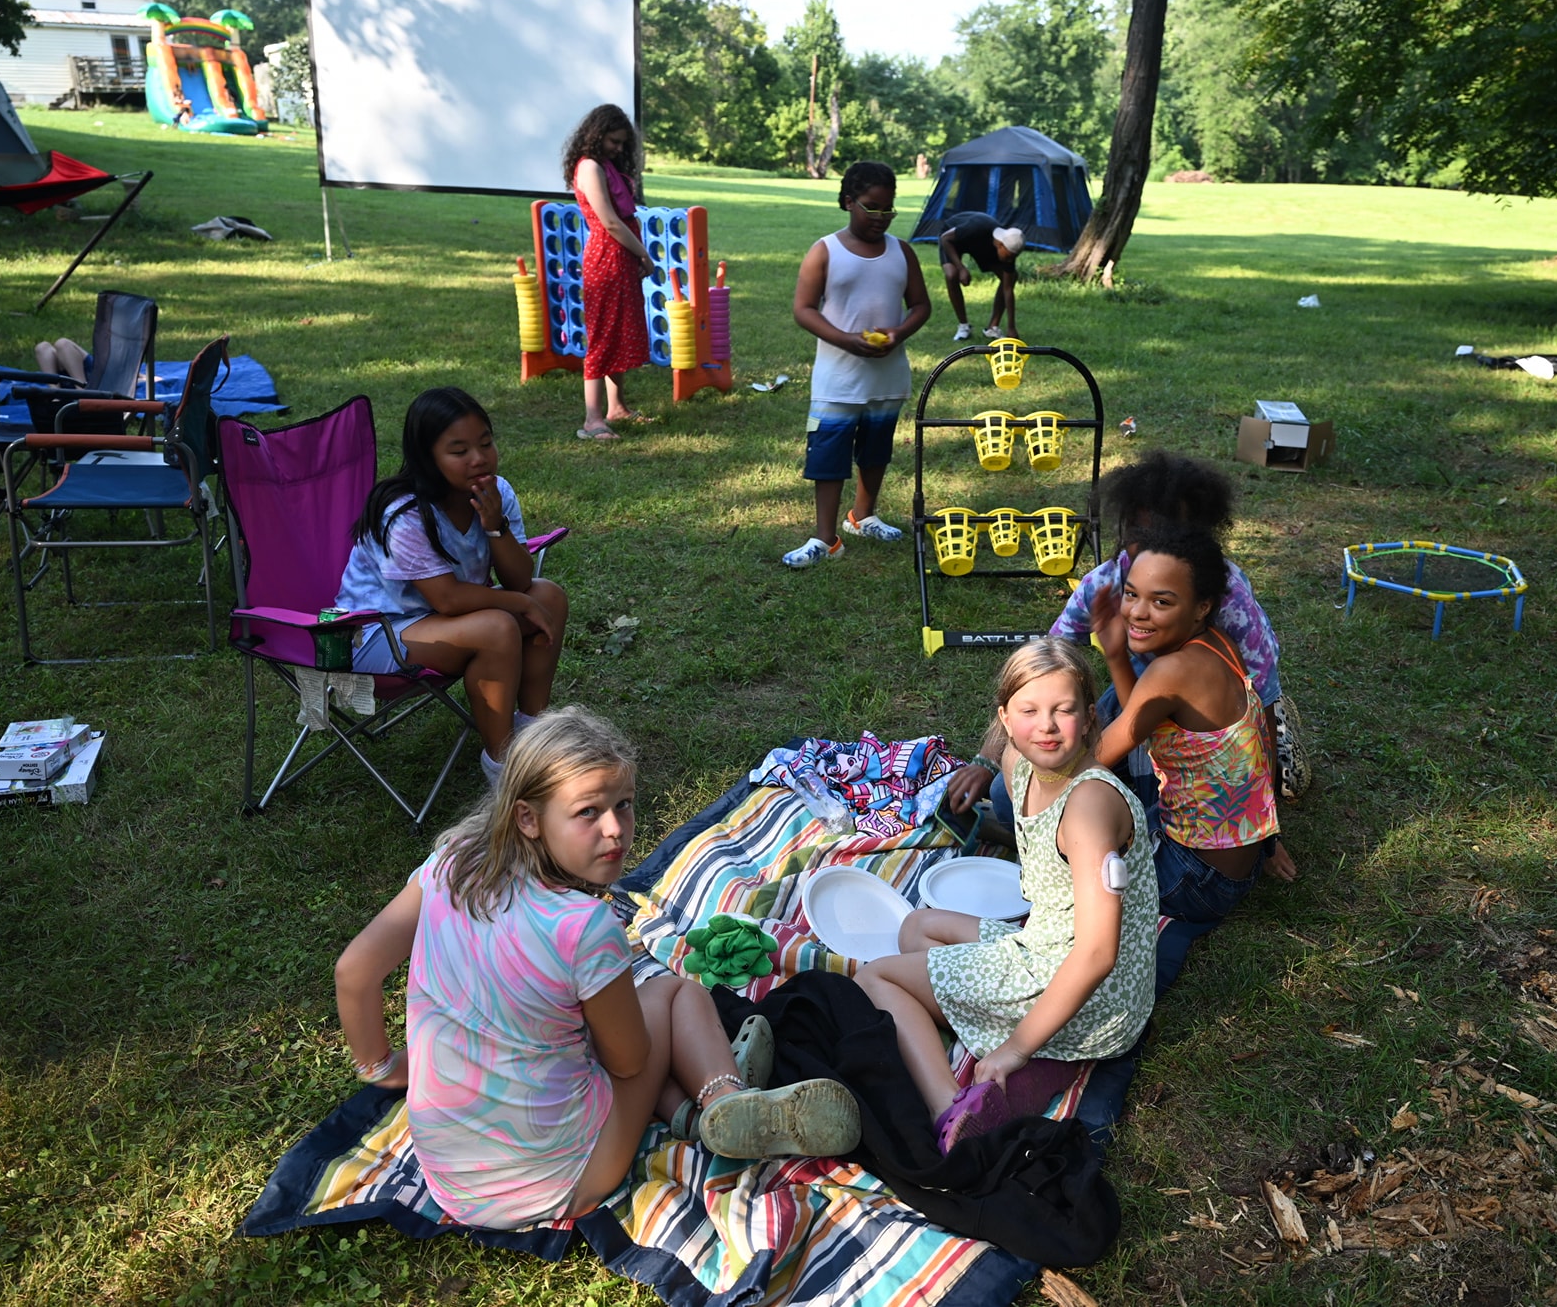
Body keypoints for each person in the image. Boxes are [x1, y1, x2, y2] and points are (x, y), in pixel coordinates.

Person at [333, 709, 862, 1226]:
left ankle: (690, 1113)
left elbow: (354, 972)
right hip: (567, 1176)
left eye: (624, 805)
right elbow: (629, 1062)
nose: (616, 829)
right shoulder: (584, 925)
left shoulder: (451, 861)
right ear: (527, 818)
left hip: (455, 1181)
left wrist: (382, 1068)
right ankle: (726, 1098)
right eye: (588, 812)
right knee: (676, 995)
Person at [854, 640, 1157, 1152]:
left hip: (1091, 995)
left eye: (1064, 710)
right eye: (1029, 711)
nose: (1047, 726)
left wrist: (1015, 1048)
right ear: (1005, 719)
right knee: (916, 928)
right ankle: (1009, 1027)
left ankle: (952, 1106)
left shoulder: (1087, 806)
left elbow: (1098, 952)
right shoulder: (1017, 764)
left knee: (876, 976)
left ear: (1088, 717)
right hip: (1050, 945)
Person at [945, 451, 1303, 857]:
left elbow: (1264, 703)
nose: (1147, 556)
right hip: (1134, 704)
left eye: (1167, 537)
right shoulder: (1108, 581)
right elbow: (1039, 676)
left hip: (1196, 740)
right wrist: (990, 761)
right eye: (1138, 536)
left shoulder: (1231, 602)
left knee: (1112, 819)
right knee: (1008, 792)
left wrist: (1268, 832)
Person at [335, 387, 570, 785]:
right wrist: (516, 603)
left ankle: (533, 735)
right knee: (498, 627)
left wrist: (496, 526)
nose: (479, 458)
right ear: (428, 458)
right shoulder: (404, 514)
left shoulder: (497, 493)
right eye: (459, 451)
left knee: (547, 595)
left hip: (445, 621)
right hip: (374, 632)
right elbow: (446, 598)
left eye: (486, 443)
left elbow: (519, 580)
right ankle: (505, 770)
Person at [1090, 522, 1284, 986]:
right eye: (1131, 594)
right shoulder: (1219, 646)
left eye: (1161, 601)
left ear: (1201, 607)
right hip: (1236, 860)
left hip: (1194, 878)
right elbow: (1265, 751)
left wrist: (1021, 768)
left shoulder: (1172, 671)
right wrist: (1272, 840)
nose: (1136, 613)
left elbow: (1094, 758)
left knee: (1076, 813)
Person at [782, 160, 931, 569]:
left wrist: (898, 333)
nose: (881, 218)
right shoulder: (825, 251)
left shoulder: (902, 252)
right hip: (838, 378)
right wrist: (846, 340)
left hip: (887, 374)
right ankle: (825, 538)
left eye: (889, 209)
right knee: (828, 456)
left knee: (875, 449)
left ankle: (862, 516)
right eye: (871, 207)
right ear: (848, 201)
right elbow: (803, 310)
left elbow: (920, 305)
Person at [563, 104, 651, 441]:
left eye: (621, 143)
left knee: (618, 333)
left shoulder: (605, 165)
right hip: (608, 258)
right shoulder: (589, 168)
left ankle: (617, 406)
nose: (617, 148)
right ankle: (592, 420)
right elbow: (610, 222)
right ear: (596, 135)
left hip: (620, 257)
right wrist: (643, 254)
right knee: (603, 336)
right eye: (613, 141)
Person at [935, 211, 1024, 343]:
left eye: (1014, 257)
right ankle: (963, 327)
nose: (1010, 260)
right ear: (1000, 245)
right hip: (952, 241)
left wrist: (1011, 327)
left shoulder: (1010, 247)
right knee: (951, 274)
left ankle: (992, 328)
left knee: (1011, 277)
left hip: (980, 247)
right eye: (1009, 256)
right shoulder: (977, 228)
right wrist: (961, 268)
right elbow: (945, 238)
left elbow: (1008, 289)